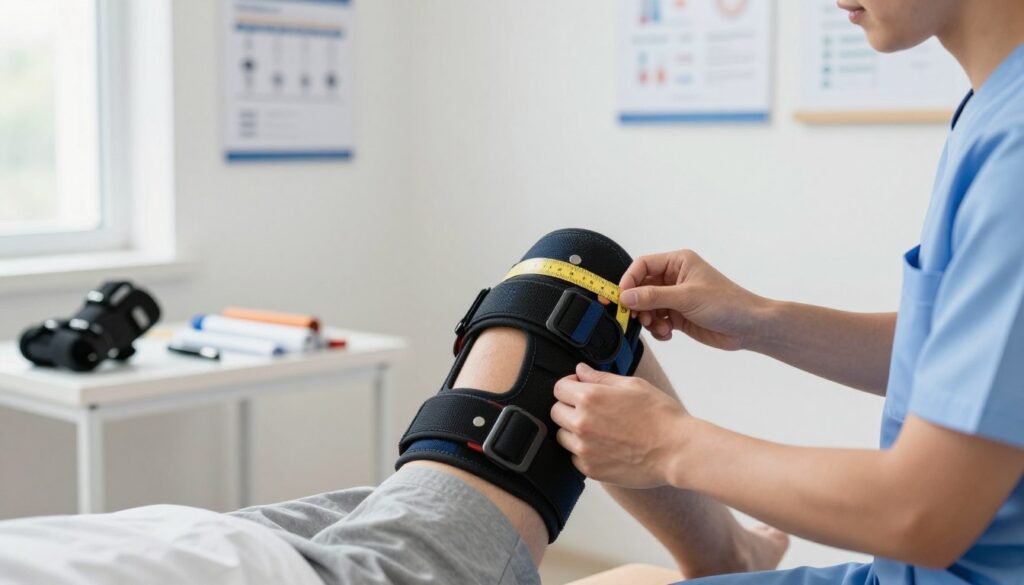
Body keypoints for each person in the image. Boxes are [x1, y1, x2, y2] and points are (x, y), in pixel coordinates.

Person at [551, 1, 1024, 583]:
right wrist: (758, 318)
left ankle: (729, 555)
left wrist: (670, 445)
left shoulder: (1015, 156)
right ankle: (730, 555)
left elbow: (923, 514)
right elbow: (965, 361)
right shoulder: (991, 107)